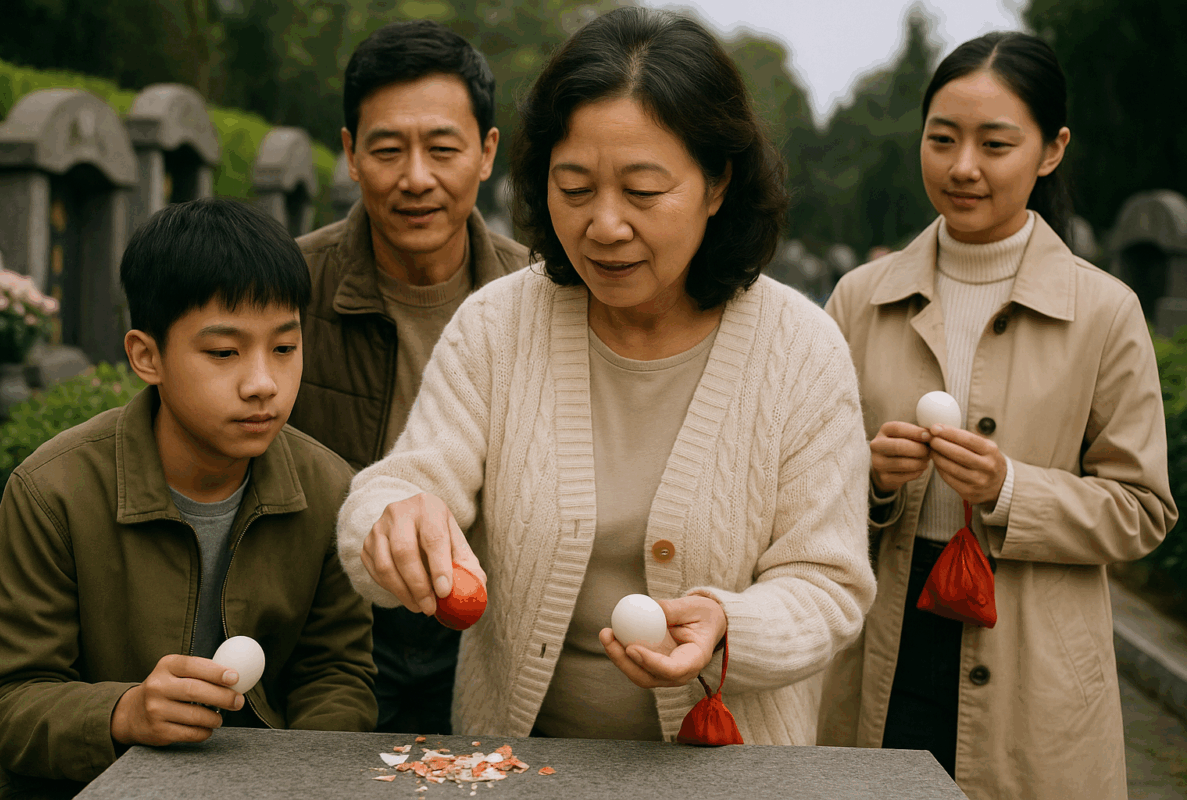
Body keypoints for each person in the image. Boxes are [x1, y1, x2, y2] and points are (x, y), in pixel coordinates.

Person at [335, 7, 877, 746]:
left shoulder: (801, 351)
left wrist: (728, 625)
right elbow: (401, 484)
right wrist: (394, 520)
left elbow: (829, 586)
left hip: (735, 774)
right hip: (518, 768)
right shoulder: (498, 326)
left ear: (718, 184)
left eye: (644, 191)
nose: (605, 225)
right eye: (576, 187)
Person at [817, 32, 1177, 800]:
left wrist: (1012, 490)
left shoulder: (1106, 312)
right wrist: (873, 478)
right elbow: (801, 487)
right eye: (942, 139)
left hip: (1033, 664)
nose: (962, 166)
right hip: (883, 640)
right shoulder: (859, 298)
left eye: (995, 143)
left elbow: (1142, 509)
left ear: (1051, 151)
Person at [0, 199, 376, 798]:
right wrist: (125, 712)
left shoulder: (329, 490)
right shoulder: (53, 493)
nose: (262, 383)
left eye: (285, 348)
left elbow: (338, 676)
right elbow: (7, 702)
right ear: (146, 356)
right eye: (224, 353)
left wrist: (302, 779)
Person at [288, 20, 528, 736]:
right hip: (328, 639)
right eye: (388, 149)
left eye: (442, 148)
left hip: (489, 639)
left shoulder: (542, 300)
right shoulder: (289, 289)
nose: (416, 177)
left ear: (485, 153)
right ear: (351, 155)